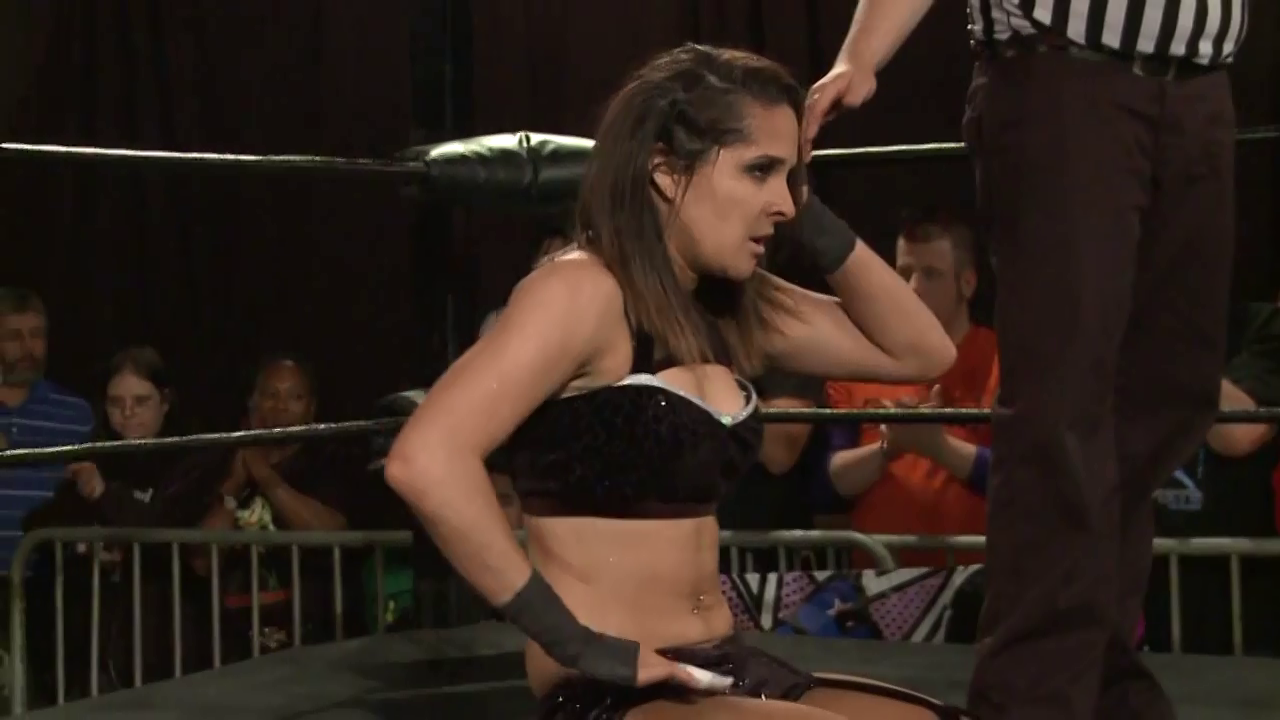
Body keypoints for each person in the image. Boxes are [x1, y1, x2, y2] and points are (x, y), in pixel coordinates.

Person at [386, 43, 966, 720]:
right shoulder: (581, 291)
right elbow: (424, 460)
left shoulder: (733, 303)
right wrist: (578, 643)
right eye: (759, 171)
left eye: (791, 177)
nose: (782, 204)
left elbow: (922, 351)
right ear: (666, 172)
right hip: (612, 683)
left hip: (721, 665)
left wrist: (806, 204)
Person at [803, 2, 1246, 719]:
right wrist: (861, 54)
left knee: (1171, 393)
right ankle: (1031, 697)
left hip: (1201, 86)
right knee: (1060, 409)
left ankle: (1098, 676)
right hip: (1065, 72)